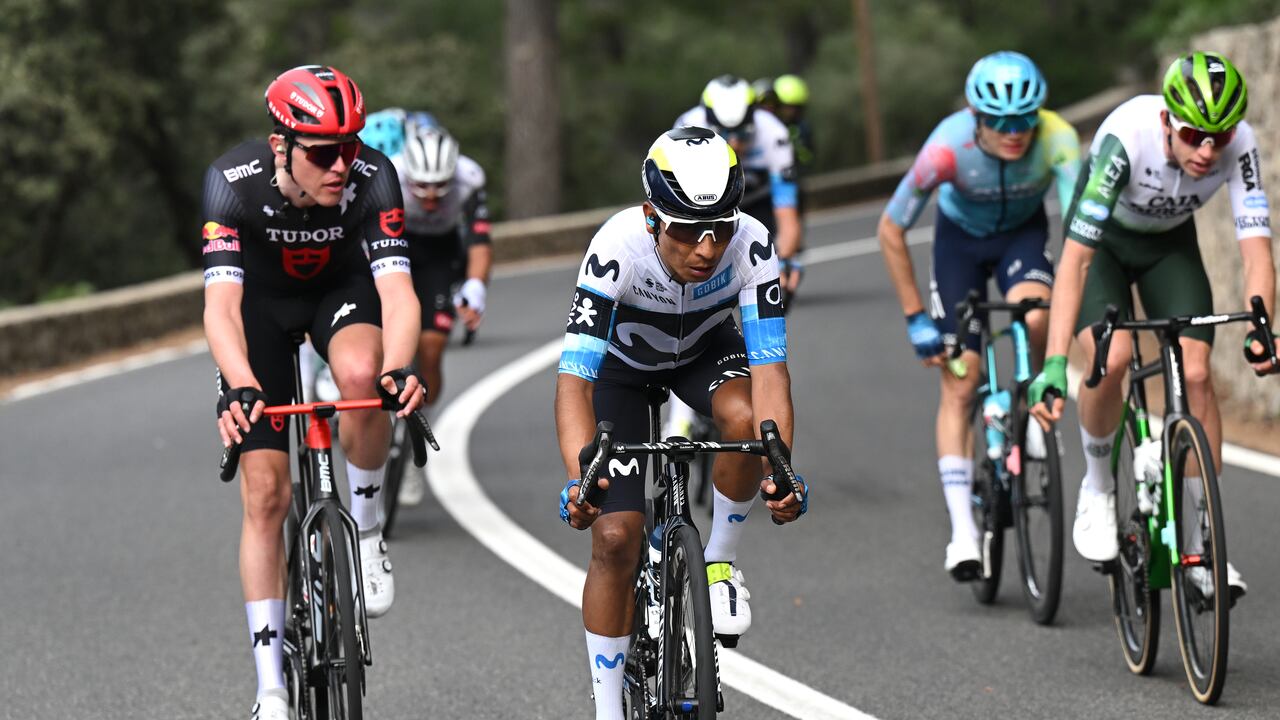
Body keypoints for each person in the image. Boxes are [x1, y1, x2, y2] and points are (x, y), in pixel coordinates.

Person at [556, 127, 807, 720]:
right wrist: (580, 478)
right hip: (621, 373)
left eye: (720, 227)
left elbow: (772, 373)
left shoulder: (752, 244)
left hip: (703, 354)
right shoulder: (617, 246)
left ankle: (719, 559)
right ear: (651, 217)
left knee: (746, 419)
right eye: (689, 230)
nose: (707, 247)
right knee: (615, 538)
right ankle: (609, 710)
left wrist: (783, 470)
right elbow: (575, 382)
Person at [202, 64, 426, 720]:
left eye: (350, 148)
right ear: (281, 147)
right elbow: (220, 309)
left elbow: (398, 293)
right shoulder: (230, 185)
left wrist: (401, 366)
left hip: (341, 295)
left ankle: (366, 530)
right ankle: (270, 685)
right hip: (260, 312)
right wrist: (241, 387)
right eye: (325, 153)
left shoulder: (373, 177)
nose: (341, 166)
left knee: (362, 376)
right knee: (267, 495)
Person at [1030, 52, 1277, 602]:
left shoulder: (1240, 146)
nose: (1207, 151)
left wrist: (1263, 324)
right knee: (1111, 358)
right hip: (1105, 248)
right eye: (1193, 136)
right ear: (1167, 121)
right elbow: (1075, 263)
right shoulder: (1126, 140)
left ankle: (1199, 549)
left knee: (1197, 373)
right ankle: (1097, 489)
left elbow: (1257, 248)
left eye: (1220, 136)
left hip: (1170, 247)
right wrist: (1053, 360)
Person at [877, 51, 1081, 581]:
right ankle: (963, 532)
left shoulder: (1058, 139)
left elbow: (1082, 228)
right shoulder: (947, 148)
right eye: (1000, 122)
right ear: (976, 117)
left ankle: (1033, 397)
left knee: (1036, 317)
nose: (1015, 133)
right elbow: (890, 228)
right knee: (961, 381)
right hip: (959, 244)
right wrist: (916, 317)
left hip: (1022, 234)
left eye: (1025, 119)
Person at [666, 76, 806, 438]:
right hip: (701, 204)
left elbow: (788, 217)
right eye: (726, 136)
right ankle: (678, 420)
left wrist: (785, 263)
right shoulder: (686, 126)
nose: (736, 145)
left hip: (756, 207)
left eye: (743, 134)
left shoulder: (773, 132)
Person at [387, 117, 494, 506]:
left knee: (431, 347)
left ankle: (416, 425)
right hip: (396, 248)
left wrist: (476, 283)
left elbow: (479, 238)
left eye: (439, 189)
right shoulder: (389, 174)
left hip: (440, 256)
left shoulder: (469, 177)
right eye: (421, 189)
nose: (430, 198)